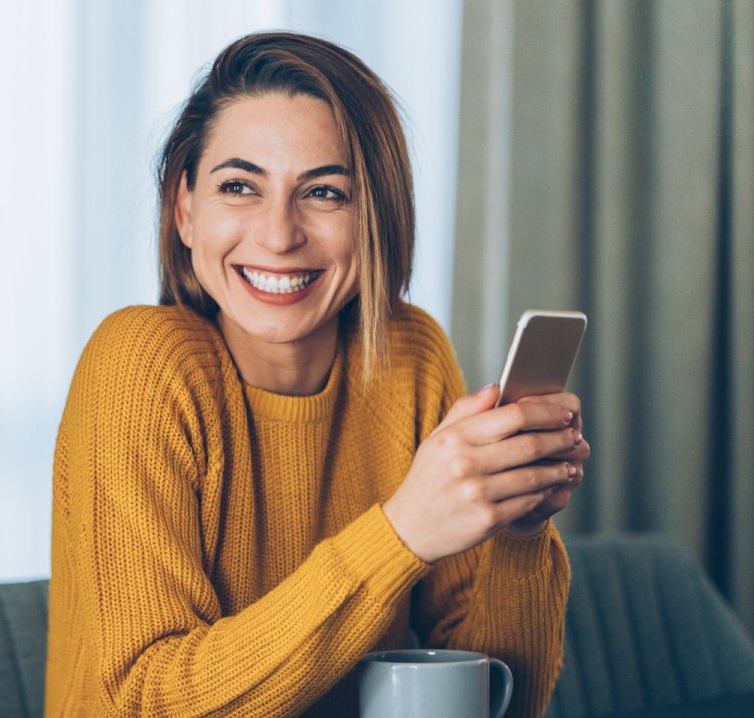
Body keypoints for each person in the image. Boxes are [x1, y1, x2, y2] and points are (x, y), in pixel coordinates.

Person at [45, 31, 588, 717]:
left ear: (375, 218)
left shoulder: (407, 356)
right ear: (185, 209)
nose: (278, 234)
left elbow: (499, 698)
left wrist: (517, 527)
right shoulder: (139, 366)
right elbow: (149, 700)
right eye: (239, 186)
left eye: (325, 193)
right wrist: (399, 535)